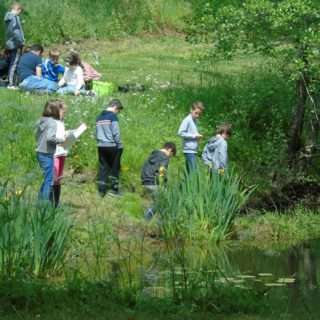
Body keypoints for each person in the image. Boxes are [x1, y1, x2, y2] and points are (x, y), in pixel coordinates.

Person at [35, 100, 66, 202]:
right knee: (49, 180)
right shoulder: (53, 123)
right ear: (55, 110)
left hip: (40, 152)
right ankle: (44, 206)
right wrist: (61, 140)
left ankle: (40, 201)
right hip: (47, 153)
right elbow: (50, 138)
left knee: (47, 178)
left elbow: (37, 135)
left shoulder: (42, 120)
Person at [96, 99, 124, 197]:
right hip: (112, 146)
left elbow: (96, 133)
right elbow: (116, 133)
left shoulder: (99, 117)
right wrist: (120, 145)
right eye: (118, 111)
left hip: (101, 146)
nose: (118, 113)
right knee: (114, 168)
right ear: (115, 107)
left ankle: (101, 191)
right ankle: (114, 190)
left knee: (103, 168)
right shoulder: (113, 117)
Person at [141, 142, 177, 220]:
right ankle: (147, 219)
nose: (169, 157)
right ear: (170, 150)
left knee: (157, 201)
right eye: (171, 155)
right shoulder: (164, 157)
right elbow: (161, 171)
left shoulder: (153, 154)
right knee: (163, 200)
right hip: (153, 182)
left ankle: (157, 219)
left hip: (145, 181)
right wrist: (165, 182)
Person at [178, 101, 204, 172]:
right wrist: (194, 136)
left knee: (190, 172)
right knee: (193, 172)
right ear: (191, 110)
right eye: (196, 113)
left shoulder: (194, 120)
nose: (197, 116)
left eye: (199, 114)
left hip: (193, 150)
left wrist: (197, 137)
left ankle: (186, 183)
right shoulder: (187, 120)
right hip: (189, 150)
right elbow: (180, 133)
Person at [4, 2, 24, 88]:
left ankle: (10, 82)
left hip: (10, 43)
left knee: (11, 63)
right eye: (20, 11)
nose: (20, 13)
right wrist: (21, 41)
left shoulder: (8, 17)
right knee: (14, 63)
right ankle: (11, 83)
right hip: (16, 43)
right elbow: (16, 31)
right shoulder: (14, 17)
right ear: (17, 9)